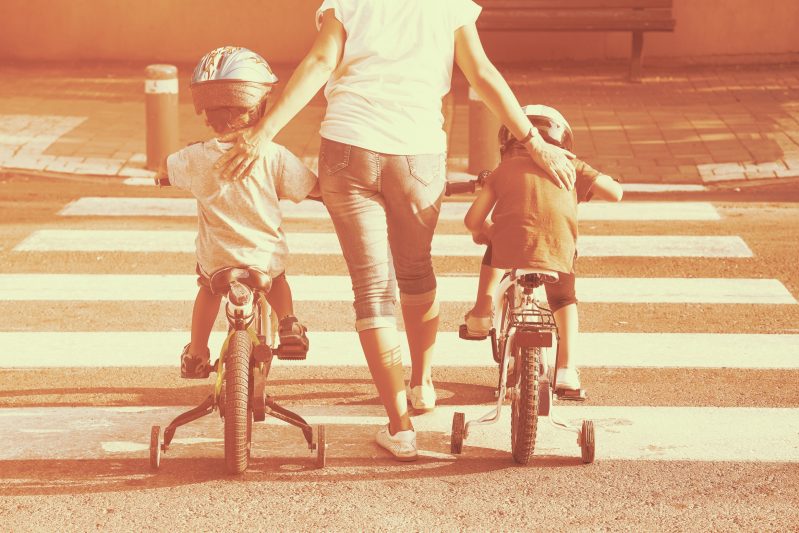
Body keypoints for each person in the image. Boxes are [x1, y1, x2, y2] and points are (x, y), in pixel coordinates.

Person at [216, 2, 576, 461]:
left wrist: (263, 132)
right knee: (415, 270)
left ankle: (400, 428)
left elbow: (321, 62)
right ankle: (423, 384)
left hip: (348, 149)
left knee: (371, 292)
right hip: (418, 154)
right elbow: (482, 74)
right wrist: (534, 142)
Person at [158, 46, 318, 378]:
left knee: (206, 289)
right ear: (261, 105)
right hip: (262, 258)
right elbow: (309, 186)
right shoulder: (273, 155)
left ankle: (197, 353)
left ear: (205, 112)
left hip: (218, 259)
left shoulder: (196, 158)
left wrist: (163, 174)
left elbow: (164, 168)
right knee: (278, 279)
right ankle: (288, 322)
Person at [462, 104, 623, 396]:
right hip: (558, 249)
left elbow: (472, 220)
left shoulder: (502, 170)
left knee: (497, 242)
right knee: (564, 299)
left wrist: (483, 232)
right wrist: (604, 179)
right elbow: (615, 194)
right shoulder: (570, 165)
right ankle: (566, 371)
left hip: (510, 246)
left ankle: (481, 313)